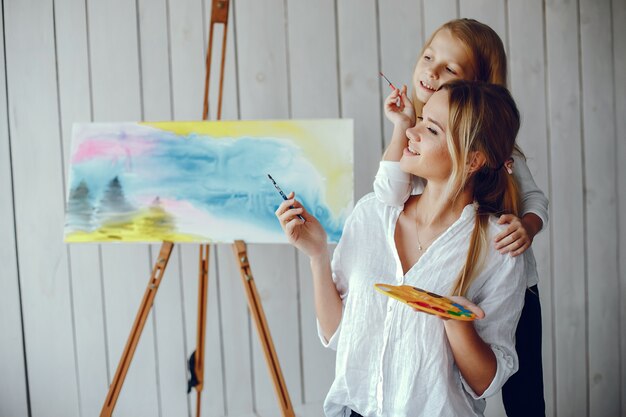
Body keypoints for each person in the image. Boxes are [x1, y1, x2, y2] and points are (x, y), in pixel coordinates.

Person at [276, 81, 527, 416]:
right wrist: (317, 254)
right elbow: (339, 335)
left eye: (431, 129)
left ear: (472, 160)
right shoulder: (370, 214)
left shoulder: (498, 247)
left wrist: (455, 321)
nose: (411, 132)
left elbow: (485, 382)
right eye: (419, 120)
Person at [376, 19, 547, 416]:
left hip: (508, 276)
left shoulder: (493, 146)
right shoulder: (415, 132)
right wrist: (402, 128)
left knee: (523, 394)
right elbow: (388, 194)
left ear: (477, 86)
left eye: (450, 69)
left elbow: (535, 198)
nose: (432, 72)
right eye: (428, 57)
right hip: (451, 276)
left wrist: (528, 227)